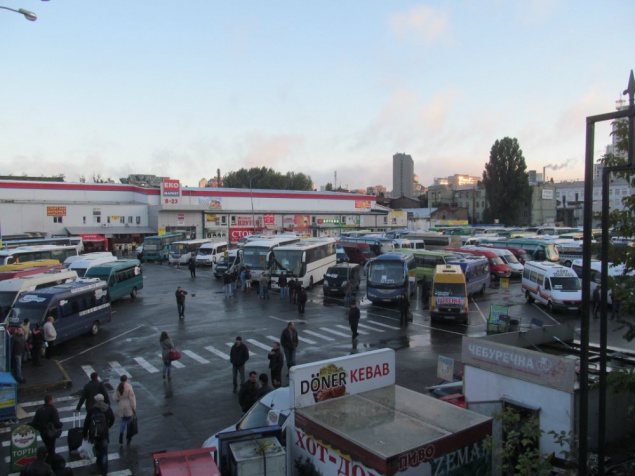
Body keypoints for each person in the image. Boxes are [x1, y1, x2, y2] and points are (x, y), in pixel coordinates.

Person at [83, 394, 115, 476]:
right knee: (104, 452)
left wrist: (84, 434)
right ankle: (104, 472)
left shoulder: (92, 409)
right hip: (104, 433)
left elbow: (86, 422)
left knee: (97, 450)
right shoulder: (107, 408)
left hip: (94, 434)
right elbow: (112, 419)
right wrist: (108, 426)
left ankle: (99, 465)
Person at [31, 394, 63, 465]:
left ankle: (49, 461)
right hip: (50, 433)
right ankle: (50, 464)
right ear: (50, 401)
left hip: (43, 433)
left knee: (48, 447)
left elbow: (34, 423)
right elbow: (56, 422)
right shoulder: (53, 410)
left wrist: (41, 428)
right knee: (51, 448)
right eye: (53, 399)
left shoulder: (39, 410)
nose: (53, 401)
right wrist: (61, 424)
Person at [112, 374, 136, 445]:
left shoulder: (117, 386)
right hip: (128, 405)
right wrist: (134, 408)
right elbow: (132, 399)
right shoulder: (129, 387)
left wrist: (119, 401)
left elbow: (115, 397)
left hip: (121, 405)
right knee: (129, 422)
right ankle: (128, 437)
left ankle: (121, 435)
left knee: (123, 421)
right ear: (126, 380)